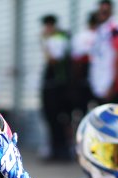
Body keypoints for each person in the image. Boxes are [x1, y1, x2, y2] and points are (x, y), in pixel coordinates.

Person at [40, 14, 72, 161]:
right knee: (51, 118)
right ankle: (55, 149)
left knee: (57, 118)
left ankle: (61, 150)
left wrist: (45, 43)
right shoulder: (56, 38)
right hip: (53, 85)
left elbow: (54, 60)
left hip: (57, 87)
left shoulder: (57, 39)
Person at [89, 0, 118, 104]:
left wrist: (113, 85)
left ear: (111, 12)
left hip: (112, 87)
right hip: (101, 86)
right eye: (100, 12)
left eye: (105, 12)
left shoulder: (116, 29)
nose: (102, 14)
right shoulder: (100, 29)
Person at [70, 11, 99, 119]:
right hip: (91, 76)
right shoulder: (99, 36)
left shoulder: (81, 36)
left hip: (85, 76)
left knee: (83, 108)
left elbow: (75, 58)